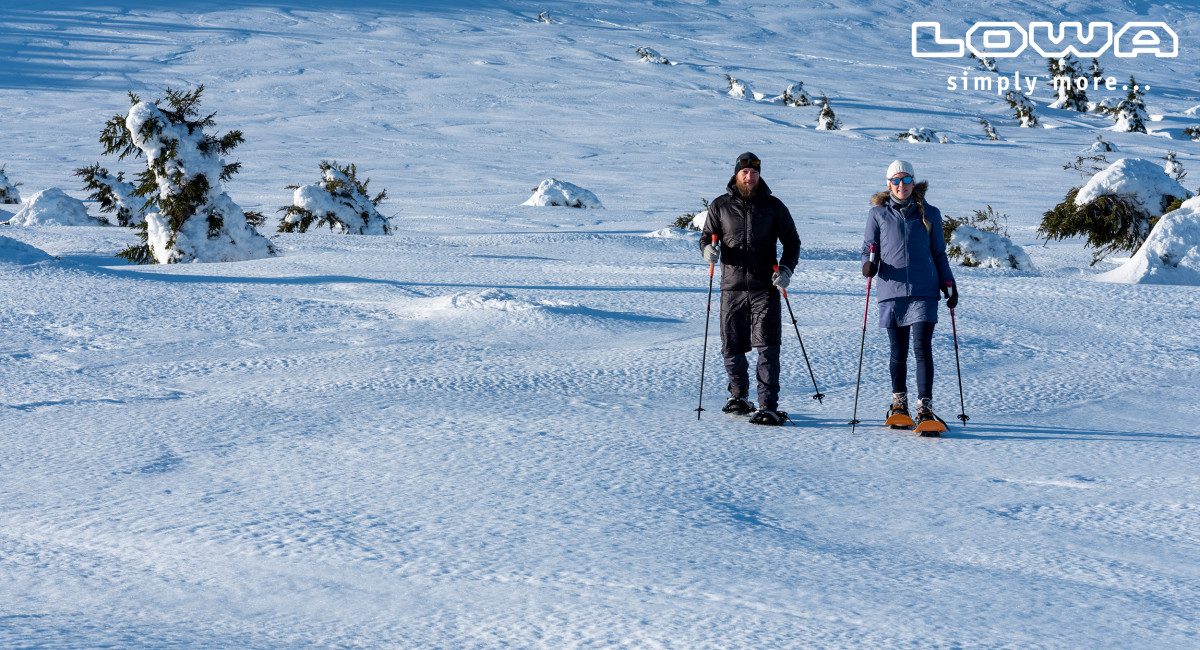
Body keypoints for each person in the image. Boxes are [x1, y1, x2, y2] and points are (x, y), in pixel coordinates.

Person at [700, 152, 801, 425]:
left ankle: (767, 405)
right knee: (731, 346)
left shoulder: (774, 206)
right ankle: (739, 395)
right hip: (731, 287)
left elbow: (792, 242)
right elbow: (705, 237)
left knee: (767, 347)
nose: (750, 176)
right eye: (744, 172)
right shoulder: (720, 206)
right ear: (736, 175)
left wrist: (787, 269)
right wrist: (708, 249)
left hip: (765, 288)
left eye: (754, 172)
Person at [862, 160, 958, 435]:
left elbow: (939, 253)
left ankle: (925, 409)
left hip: (924, 290)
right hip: (891, 291)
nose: (901, 185)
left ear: (913, 182)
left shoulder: (930, 213)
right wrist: (868, 265)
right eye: (895, 180)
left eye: (905, 180)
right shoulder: (877, 214)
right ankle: (899, 405)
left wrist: (948, 284)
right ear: (888, 184)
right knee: (898, 352)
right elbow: (868, 248)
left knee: (922, 348)